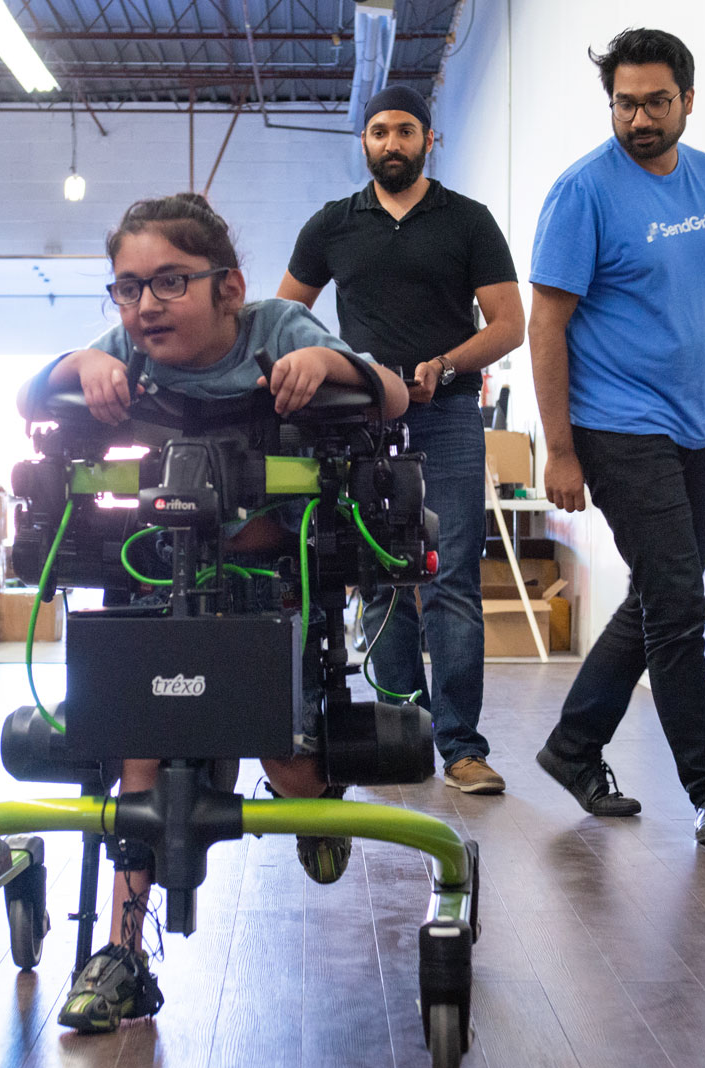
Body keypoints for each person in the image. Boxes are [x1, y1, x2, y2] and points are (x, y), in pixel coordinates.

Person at [20, 193, 408, 1032]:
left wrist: (334, 368)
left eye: (169, 283)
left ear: (227, 287)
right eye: (127, 288)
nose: (145, 305)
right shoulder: (124, 349)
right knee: (139, 759)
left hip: (272, 587)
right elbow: (32, 394)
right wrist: (74, 368)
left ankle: (315, 804)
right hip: (155, 583)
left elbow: (395, 397)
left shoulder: (277, 329)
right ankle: (122, 952)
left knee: (295, 769)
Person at [528, 28, 705, 848]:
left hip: (702, 426)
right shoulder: (583, 192)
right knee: (682, 605)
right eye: (625, 103)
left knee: (661, 595)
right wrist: (558, 449)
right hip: (618, 426)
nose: (640, 118)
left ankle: (573, 746)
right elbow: (544, 324)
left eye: (657, 101)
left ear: (688, 99)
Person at [278, 85, 525, 796]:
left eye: (406, 131)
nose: (393, 142)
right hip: (362, 423)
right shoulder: (333, 224)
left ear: (429, 140)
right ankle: (400, 733)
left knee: (448, 578)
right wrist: (345, 369)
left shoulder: (467, 221)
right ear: (364, 141)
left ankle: (463, 748)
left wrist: (446, 364)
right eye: (380, 131)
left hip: (447, 416)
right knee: (382, 575)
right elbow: (285, 314)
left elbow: (507, 323)